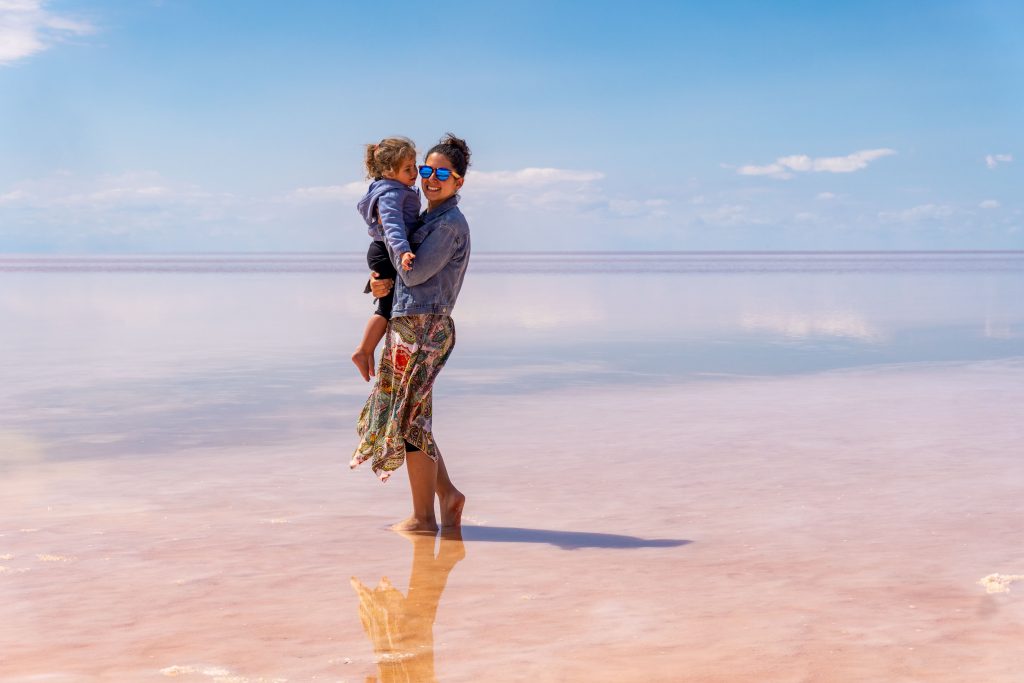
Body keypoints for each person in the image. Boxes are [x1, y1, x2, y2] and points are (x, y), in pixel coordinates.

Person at [350, 133, 472, 533]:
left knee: (411, 420)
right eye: (425, 170)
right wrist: (377, 281)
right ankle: (446, 496)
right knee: (410, 418)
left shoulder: (450, 225)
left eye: (442, 173)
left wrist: (392, 260)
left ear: (459, 181)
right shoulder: (425, 218)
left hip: (425, 328)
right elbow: (400, 273)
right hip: (407, 324)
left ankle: (424, 519)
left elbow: (415, 271)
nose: (431, 179)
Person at [351, 136, 422, 383]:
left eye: (415, 166)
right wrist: (403, 252)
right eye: (408, 168)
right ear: (390, 171)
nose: (415, 172)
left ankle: (365, 350)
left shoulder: (393, 189)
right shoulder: (392, 194)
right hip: (387, 251)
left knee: (388, 305)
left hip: (381, 250)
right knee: (387, 306)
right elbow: (393, 226)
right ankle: (363, 350)